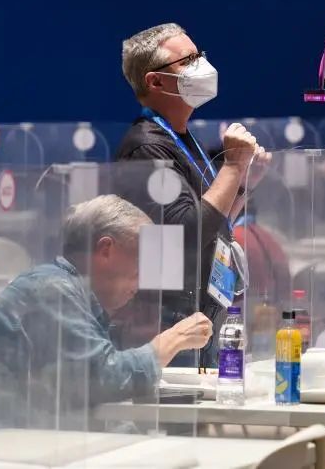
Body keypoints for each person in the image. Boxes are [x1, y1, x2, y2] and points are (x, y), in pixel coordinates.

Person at [0, 195, 213, 436]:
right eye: (140, 260)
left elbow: (81, 400)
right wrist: (174, 339)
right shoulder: (53, 291)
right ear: (105, 250)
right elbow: (104, 379)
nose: (143, 277)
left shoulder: (70, 292)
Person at [115, 23, 270, 355]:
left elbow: (212, 222)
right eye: (187, 60)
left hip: (200, 315)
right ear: (155, 81)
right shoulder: (145, 148)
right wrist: (232, 166)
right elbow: (185, 237)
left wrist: (243, 184)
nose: (201, 66)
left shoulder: (182, 137)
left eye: (199, 54)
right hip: (167, 326)